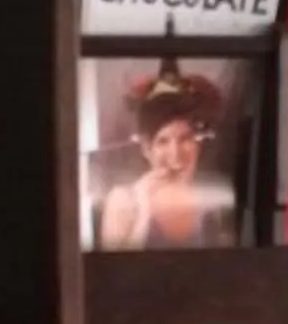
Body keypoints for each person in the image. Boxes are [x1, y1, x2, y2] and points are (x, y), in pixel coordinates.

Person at [95, 62, 235, 249]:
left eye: (185, 138)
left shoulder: (213, 199)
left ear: (198, 143)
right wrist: (143, 211)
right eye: (162, 141)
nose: (175, 153)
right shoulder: (124, 200)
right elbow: (113, 272)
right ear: (146, 148)